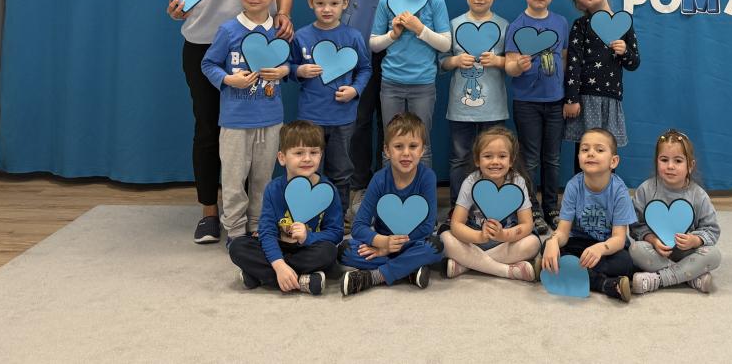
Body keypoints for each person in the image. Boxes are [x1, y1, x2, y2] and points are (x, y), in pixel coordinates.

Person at [169, 0, 294, 244]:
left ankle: (255, 216)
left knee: (257, 138)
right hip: (206, 45)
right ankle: (210, 212)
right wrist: (178, 8)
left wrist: (284, 15)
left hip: (257, 50)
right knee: (209, 130)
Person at [328, 0, 435, 219]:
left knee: (397, 122)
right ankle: (359, 188)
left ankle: (397, 189)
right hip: (362, 34)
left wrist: (419, 27)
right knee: (360, 118)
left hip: (404, 39)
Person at [199, 0, 290, 243]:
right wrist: (229, 79)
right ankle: (236, 231)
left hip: (271, 119)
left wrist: (284, 71)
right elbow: (208, 64)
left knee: (263, 178)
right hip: (235, 121)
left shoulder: (279, 31)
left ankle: (257, 225)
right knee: (234, 179)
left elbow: (289, 64)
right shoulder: (229, 30)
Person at [227, 120, 343, 295]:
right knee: (238, 247)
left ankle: (261, 276)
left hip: (308, 248)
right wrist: (278, 264)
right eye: (299, 153)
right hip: (278, 246)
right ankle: (301, 280)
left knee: (329, 252)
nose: (307, 158)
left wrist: (308, 237)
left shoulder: (328, 190)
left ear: (321, 155)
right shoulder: (273, 189)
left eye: (314, 152)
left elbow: (335, 233)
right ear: (282, 158)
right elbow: (266, 231)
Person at [291, 0, 372, 204]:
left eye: (334, 3)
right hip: (310, 117)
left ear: (345, 4)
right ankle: (308, 213)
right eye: (320, 4)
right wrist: (299, 71)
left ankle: (339, 214)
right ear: (310, 3)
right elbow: (288, 67)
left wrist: (355, 90)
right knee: (308, 169)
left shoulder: (353, 37)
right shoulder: (301, 36)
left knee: (341, 171)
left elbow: (365, 68)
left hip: (343, 118)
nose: (327, 9)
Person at [339, 113, 442, 293]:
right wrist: (383, 242)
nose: (406, 153)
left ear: (422, 150)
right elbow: (358, 226)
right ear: (387, 150)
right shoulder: (379, 179)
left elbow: (427, 227)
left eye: (413, 146)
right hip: (383, 241)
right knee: (345, 250)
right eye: (398, 146)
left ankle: (375, 276)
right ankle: (409, 270)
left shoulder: (427, 178)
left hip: (413, 243)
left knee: (435, 246)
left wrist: (390, 249)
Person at [369, 0, 450, 169]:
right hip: (391, 83)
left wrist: (419, 28)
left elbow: (445, 44)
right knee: (391, 143)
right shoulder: (386, 2)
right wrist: (392, 35)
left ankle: (423, 192)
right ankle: (389, 191)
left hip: (423, 84)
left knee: (421, 144)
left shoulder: (436, 0)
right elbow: (374, 44)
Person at [505, 0, 568, 234]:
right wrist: (517, 66)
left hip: (555, 101)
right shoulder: (516, 25)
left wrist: (566, 95)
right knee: (530, 159)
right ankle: (531, 207)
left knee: (552, 158)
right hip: (526, 102)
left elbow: (563, 59)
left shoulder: (561, 22)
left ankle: (552, 206)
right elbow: (508, 66)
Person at [440, 0, 511, 206]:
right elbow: (441, 63)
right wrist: (456, 60)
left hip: (494, 109)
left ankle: (491, 205)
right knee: (460, 158)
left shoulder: (504, 26)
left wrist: (499, 61)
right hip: (460, 110)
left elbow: (513, 64)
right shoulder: (453, 25)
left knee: (495, 158)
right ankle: (458, 207)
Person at [541, 128, 636, 303]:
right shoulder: (573, 186)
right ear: (579, 157)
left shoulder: (620, 192)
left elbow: (619, 239)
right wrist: (553, 241)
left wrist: (600, 249)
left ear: (613, 161)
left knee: (626, 263)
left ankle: (565, 272)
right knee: (547, 247)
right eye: (585, 149)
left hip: (607, 247)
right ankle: (605, 284)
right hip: (578, 243)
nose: (590, 153)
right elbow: (562, 231)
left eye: (599, 150)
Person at [563, 0, 641, 174]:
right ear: (580, 5)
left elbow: (634, 63)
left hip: (611, 99)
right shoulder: (581, 25)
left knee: (606, 150)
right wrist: (571, 99)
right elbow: (573, 63)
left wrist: (625, 52)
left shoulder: (624, 23)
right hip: (586, 99)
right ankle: (581, 190)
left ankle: (607, 190)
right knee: (586, 149)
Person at [441, 126, 540, 281]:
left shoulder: (517, 181)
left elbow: (527, 224)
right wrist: (480, 236)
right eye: (488, 156)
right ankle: (505, 271)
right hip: (474, 241)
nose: (495, 162)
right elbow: (456, 224)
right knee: (445, 239)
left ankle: (467, 264)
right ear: (477, 160)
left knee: (533, 243)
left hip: (506, 242)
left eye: (502, 156)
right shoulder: (471, 182)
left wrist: (503, 235)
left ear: (511, 160)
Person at [629, 129, 722, 294]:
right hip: (658, 252)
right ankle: (691, 277)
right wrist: (653, 240)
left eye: (678, 161)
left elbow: (712, 229)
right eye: (664, 160)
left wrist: (695, 240)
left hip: (689, 253)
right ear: (656, 162)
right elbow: (636, 226)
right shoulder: (645, 190)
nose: (670, 166)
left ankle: (658, 279)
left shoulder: (698, 195)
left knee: (714, 255)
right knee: (635, 249)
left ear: (690, 166)